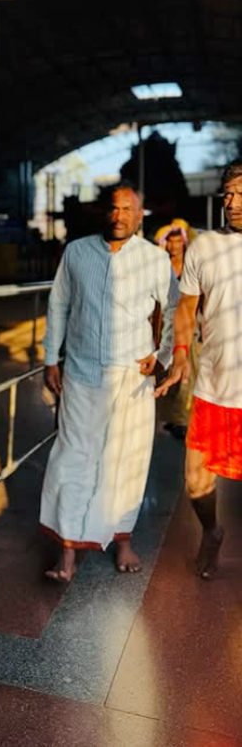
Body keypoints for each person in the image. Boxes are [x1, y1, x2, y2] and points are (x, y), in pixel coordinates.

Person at [40, 183, 178, 582]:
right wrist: (52, 357)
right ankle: (66, 551)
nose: (118, 216)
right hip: (81, 373)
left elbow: (174, 307)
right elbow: (59, 305)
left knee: (126, 462)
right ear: (105, 213)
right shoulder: (77, 252)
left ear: (140, 216)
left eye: (127, 209)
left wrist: (163, 356)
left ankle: (123, 540)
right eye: (113, 208)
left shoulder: (153, 259)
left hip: (131, 377)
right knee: (72, 457)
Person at [156, 160, 242, 580]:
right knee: (195, 483)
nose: (233, 202)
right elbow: (187, 306)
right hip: (213, 387)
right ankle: (212, 531)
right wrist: (182, 353)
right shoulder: (205, 245)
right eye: (228, 194)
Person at [153, 220, 198, 439]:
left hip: (188, 324)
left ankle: (182, 418)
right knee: (166, 370)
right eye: (170, 242)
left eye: (178, 241)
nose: (174, 245)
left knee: (187, 372)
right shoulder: (161, 265)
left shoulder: (190, 264)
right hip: (164, 323)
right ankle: (171, 416)